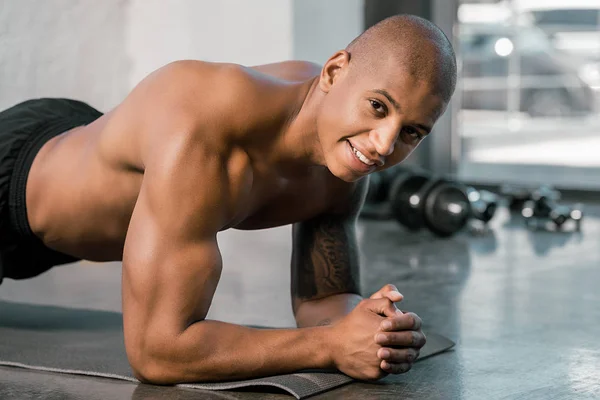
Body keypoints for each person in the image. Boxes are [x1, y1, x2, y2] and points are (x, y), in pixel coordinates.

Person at [0, 14, 456, 383]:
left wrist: (370, 328)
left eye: (411, 131)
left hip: (80, 147)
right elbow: (158, 352)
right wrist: (330, 346)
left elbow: (325, 300)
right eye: (378, 106)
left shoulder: (345, 153)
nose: (382, 145)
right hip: (22, 182)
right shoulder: (201, 127)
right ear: (334, 71)